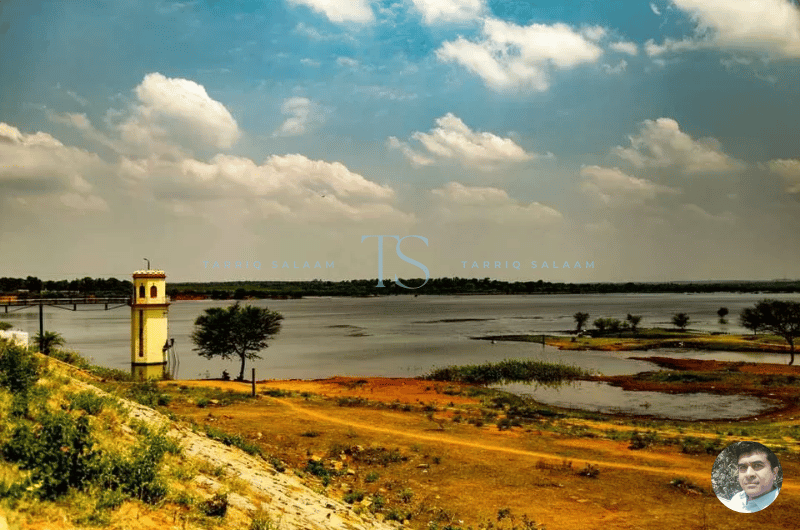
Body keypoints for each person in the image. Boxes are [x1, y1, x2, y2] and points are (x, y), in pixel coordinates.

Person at [721, 441, 781, 513]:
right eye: (743, 467)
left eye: (757, 466)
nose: (749, 474)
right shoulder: (737, 499)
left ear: (774, 473)